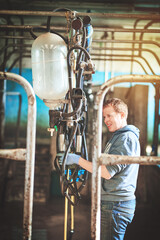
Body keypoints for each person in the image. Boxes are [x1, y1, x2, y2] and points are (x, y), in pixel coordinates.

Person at [65, 97, 140, 240]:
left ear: (122, 115)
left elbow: (106, 173)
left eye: (109, 115)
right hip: (113, 202)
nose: (106, 120)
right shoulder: (117, 137)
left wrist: (78, 160)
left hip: (116, 204)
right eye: (104, 116)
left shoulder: (125, 138)